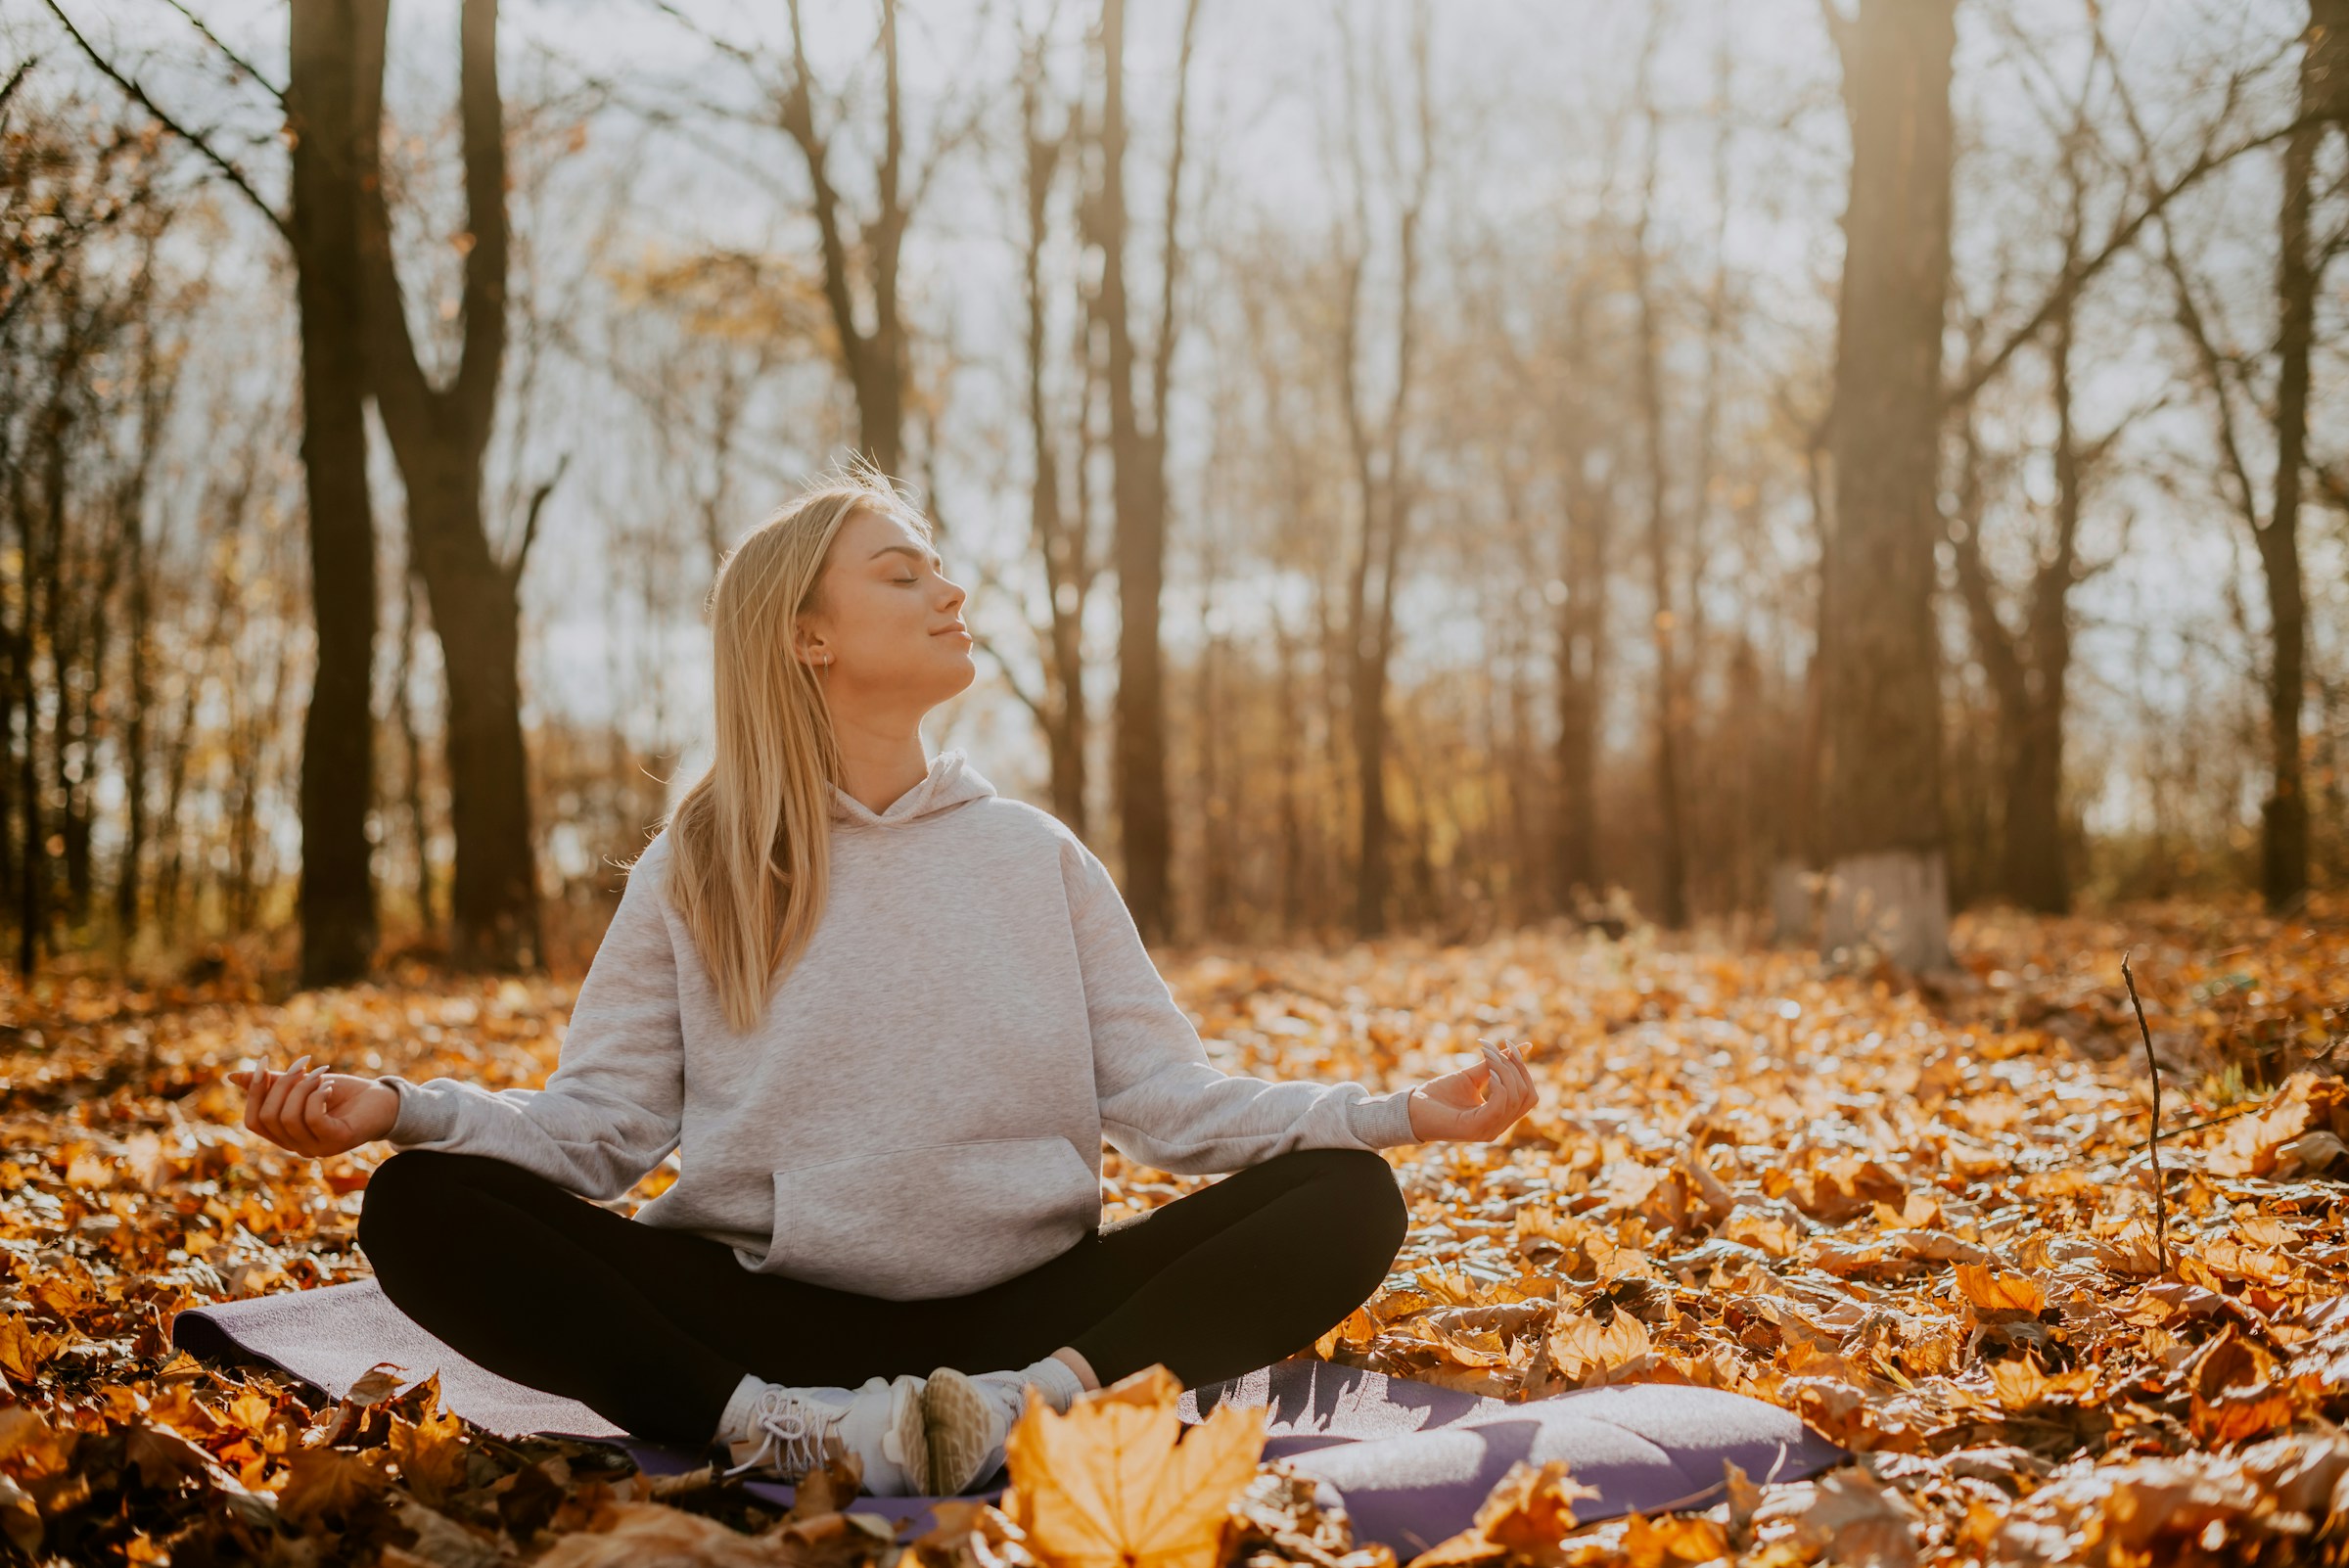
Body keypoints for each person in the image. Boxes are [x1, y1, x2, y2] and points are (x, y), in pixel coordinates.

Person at [227, 466, 1538, 1499]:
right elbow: (596, 1137)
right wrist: (399, 1106)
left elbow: (1173, 1106)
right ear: (808, 633)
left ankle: (1035, 1411)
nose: (949, 591)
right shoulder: (702, 863)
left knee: (1347, 1200)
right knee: (419, 1207)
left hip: (1030, 1322)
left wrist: (1399, 1113)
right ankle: (783, 1434)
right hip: (770, 1333)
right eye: (901, 572)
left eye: (943, 569)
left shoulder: (1037, 857)